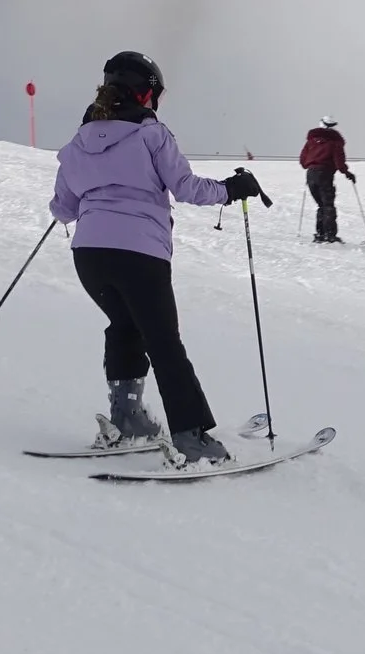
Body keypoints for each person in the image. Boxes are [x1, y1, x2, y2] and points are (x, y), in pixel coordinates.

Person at [50, 50, 265, 466]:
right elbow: (185, 188)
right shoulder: (152, 134)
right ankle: (192, 438)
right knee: (163, 341)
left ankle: (128, 418)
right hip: (139, 253)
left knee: (125, 327)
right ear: (146, 94)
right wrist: (232, 189)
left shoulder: (79, 140)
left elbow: (64, 206)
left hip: (90, 256)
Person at [298, 118, 356, 244]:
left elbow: (303, 161)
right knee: (328, 205)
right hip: (325, 174)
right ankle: (330, 236)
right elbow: (339, 162)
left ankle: (320, 234)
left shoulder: (311, 142)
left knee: (321, 205)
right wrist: (347, 173)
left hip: (311, 174)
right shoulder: (335, 142)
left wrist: (311, 164)